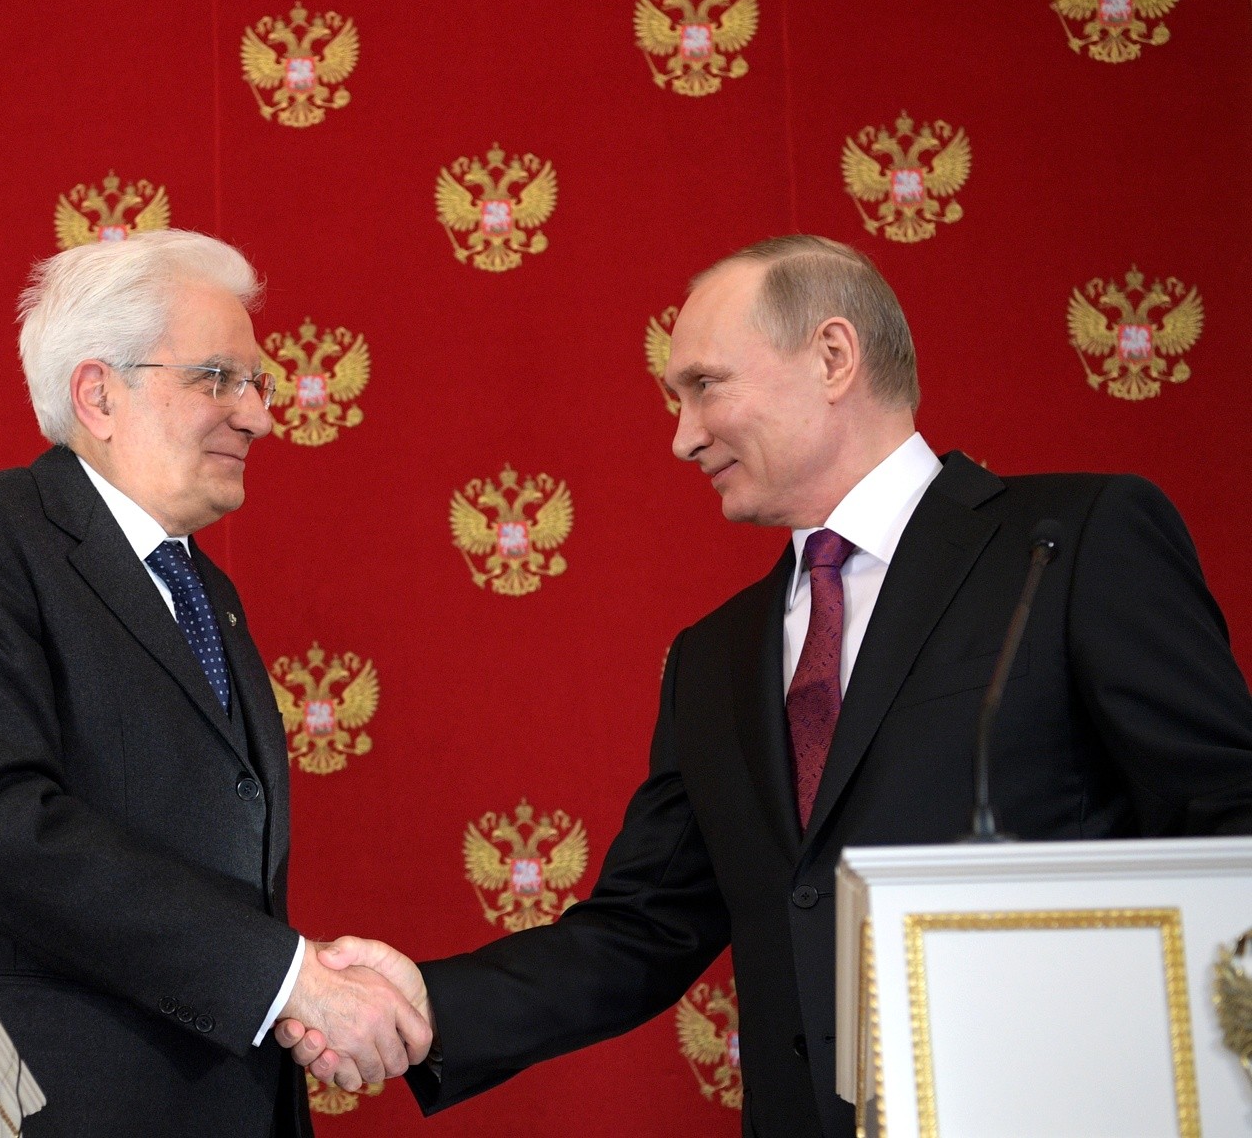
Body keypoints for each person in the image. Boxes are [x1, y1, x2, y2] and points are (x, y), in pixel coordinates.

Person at [278, 234, 1252, 1137]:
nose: (680, 437)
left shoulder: (1070, 544)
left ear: (832, 357)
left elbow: (1228, 825)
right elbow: (643, 928)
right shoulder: (715, 655)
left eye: (704, 386)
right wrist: (425, 1001)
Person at [0, 230, 430, 1137]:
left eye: (257, 383)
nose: (258, 416)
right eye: (218, 379)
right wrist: (288, 979)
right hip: (60, 1105)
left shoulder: (206, 591)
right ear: (98, 393)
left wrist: (302, 979)